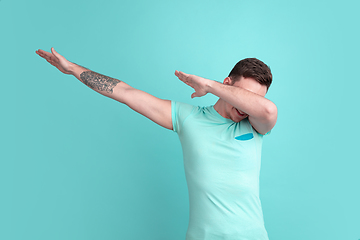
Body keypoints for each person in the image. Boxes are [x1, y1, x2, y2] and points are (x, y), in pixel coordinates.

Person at [36, 47, 277, 240]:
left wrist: (211, 86)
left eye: (253, 99)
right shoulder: (188, 118)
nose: (247, 107)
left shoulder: (256, 126)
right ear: (228, 83)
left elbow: (268, 109)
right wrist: (72, 69)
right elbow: (126, 93)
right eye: (245, 96)